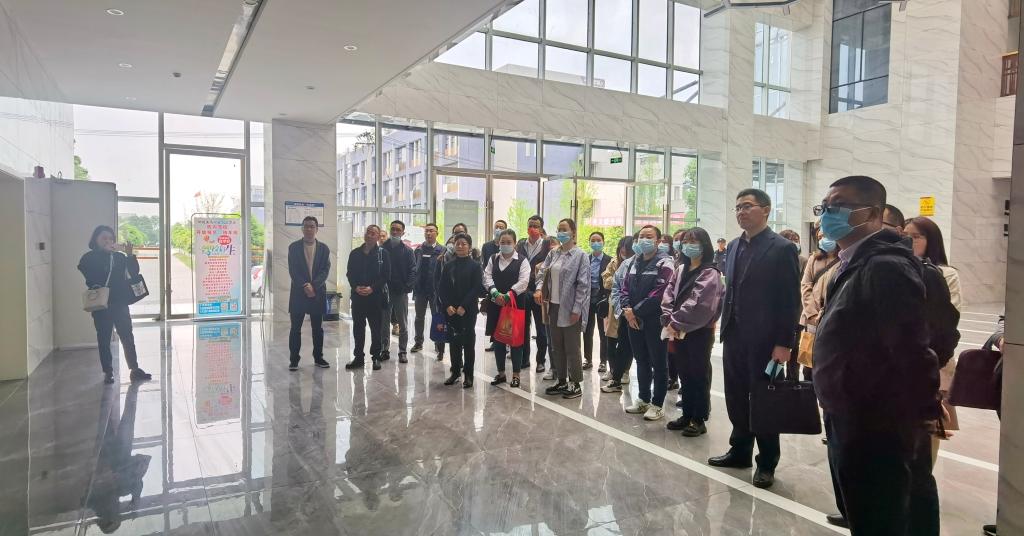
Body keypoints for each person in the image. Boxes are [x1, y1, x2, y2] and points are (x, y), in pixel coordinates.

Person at [813, 176, 940, 535]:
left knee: (878, 517)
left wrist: (923, 411)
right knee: (861, 510)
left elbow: (911, 346)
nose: (827, 214)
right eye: (824, 207)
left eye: (838, 206)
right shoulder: (852, 262)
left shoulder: (884, 266)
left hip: (874, 420)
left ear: (871, 214)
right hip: (849, 411)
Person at [709, 188, 800, 490]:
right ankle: (740, 451)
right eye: (737, 207)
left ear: (766, 210)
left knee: (764, 401)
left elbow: (790, 300)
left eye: (747, 206)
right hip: (734, 335)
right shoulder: (734, 246)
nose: (741, 212)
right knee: (736, 397)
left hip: (766, 340)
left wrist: (784, 343)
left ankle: (767, 462)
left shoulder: (782, 248)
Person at [904, 216, 963, 464]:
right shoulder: (897, 268)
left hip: (933, 359)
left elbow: (948, 318)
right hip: (902, 361)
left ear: (932, 240)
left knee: (929, 428)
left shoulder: (946, 273)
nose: (909, 241)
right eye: (905, 236)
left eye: (916, 237)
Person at [661, 227, 724, 437]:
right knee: (685, 372)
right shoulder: (680, 269)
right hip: (677, 328)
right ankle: (686, 414)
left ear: (704, 245)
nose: (688, 245)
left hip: (699, 331)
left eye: (693, 242)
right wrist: (669, 317)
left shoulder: (710, 272)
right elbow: (668, 293)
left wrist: (676, 321)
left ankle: (699, 418)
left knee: (699, 374)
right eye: (685, 241)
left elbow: (701, 304)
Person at [78, 225, 152, 384]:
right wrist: (104, 255)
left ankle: (134, 369)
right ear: (96, 239)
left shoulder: (119, 257)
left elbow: (134, 272)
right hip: (102, 304)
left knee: (127, 335)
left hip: (120, 301)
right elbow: (91, 276)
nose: (108, 241)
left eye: (111, 238)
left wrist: (130, 255)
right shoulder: (88, 258)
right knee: (104, 338)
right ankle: (108, 371)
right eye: (104, 238)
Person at [620, 225, 675, 421]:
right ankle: (643, 399)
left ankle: (657, 404)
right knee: (641, 359)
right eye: (641, 236)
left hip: (654, 320)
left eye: (649, 236)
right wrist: (628, 311)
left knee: (658, 363)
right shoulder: (634, 261)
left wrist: (635, 311)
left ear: (658, 241)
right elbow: (624, 287)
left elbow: (659, 293)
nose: (644, 240)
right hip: (633, 320)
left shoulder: (665, 262)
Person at [535, 218, 590, 399]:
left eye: (564, 229)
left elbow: (583, 285)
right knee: (556, 346)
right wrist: (538, 289)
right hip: (553, 306)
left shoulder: (580, 255)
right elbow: (542, 272)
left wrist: (577, 309)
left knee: (572, 347)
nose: (561, 232)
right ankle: (561, 380)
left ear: (573, 232)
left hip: (570, 307)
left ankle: (576, 384)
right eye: (559, 229)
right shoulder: (554, 253)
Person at [483, 229, 531, 388]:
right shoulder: (493, 258)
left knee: (515, 339)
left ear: (515, 243)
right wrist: (494, 292)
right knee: (498, 338)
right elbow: (487, 276)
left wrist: (509, 294)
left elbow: (524, 281)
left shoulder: (522, 261)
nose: (505, 245)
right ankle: (501, 373)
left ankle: (516, 375)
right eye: (502, 242)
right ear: (498, 243)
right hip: (496, 303)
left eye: (509, 242)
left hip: (515, 305)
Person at [438, 233, 484, 388]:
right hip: (451, 310)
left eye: (464, 244)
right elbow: (442, 288)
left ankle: (469, 375)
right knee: (454, 342)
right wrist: (447, 305)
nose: (460, 246)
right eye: (457, 243)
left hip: (468, 310)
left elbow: (476, 288)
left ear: (469, 247)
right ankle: (455, 372)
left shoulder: (475, 266)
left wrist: (464, 306)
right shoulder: (448, 266)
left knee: (468, 343)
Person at [287, 216, 332, 370]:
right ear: (302, 228)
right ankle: (294, 360)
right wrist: (305, 286)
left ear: (317, 229)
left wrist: (314, 286)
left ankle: (318, 358)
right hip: (298, 293)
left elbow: (325, 270)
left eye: (312, 226)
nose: (309, 229)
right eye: (306, 226)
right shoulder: (293, 247)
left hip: (317, 293)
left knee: (317, 329)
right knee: (295, 329)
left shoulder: (324, 248)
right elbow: (293, 270)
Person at [796, 225, 840, 382]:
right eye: (819, 237)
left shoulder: (844, 259)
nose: (822, 240)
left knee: (829, 362)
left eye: (825, 236)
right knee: (808, 363)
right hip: (811, 319)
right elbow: (805, 285)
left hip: (831, 317)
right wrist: (812, 313)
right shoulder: (814, 259)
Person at [346, 225, 391, 371]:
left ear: (378, 237)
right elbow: (350, 273)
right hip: (358, 297)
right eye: (368, 232)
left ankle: (376, 357)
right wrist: (355, 287)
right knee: (358, 328)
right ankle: (358, 357)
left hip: (375, 297)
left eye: (373, 233)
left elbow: (385, 276)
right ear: (364, 235)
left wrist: (372, 288)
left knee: (376, 328)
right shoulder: (355, 253)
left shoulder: (383, 254)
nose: (370, 235)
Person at [516, 215, 552, 372]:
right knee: (523, 327)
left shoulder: (547, 245)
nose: (532, 228)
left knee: (541, 328)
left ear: (541, 228)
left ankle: (540, 361)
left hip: (540, 292)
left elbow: (547, 269)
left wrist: (540, 288)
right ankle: (524, 359)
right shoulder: (520, 244)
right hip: (522, 291)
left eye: (536, 226)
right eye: (530, 225)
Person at [601, 235, 636, 392]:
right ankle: (613, 370)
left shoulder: (637, 263)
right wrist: (617, 281)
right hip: (614, 306)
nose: (623, 252)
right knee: (610, 339)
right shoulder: (614, 262)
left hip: (629, 308)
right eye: (621, 249)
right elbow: (607, 280)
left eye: (626, 249)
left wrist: (618, 282)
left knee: (626, 342)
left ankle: (624, 372)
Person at [379, 220, 416, 364]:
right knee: (384, 323)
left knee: (403, 323)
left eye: (398, 230)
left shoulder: (408, 251)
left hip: (400, 292)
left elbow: (413, 270)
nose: (395, 232)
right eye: (393, 229)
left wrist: (407, 287)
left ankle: (402, 351)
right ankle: (384, 349)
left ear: (403, 232)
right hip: (385, 291)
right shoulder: (382, 249)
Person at [411, 223, 443, 354]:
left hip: (435, 291)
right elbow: (414, 268)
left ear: (437, 233)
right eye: (426, 231)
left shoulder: (442, 250)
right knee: (419, 317)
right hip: (420, 289)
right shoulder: (418, 250)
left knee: (437, 317)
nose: (428, 233)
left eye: (431, 231)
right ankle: (418, 342)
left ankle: (438, 344)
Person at [584, 232, 612, 372]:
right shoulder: (585, 259)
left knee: (603, 332)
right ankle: (587, 359)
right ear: (589, 242)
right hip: (587, 299)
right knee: (587, 331)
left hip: (603, 300)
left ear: (603, 242)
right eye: (593, 240)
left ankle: (603, 361)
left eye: (598, 240)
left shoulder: (610, 260)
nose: (596, 243)